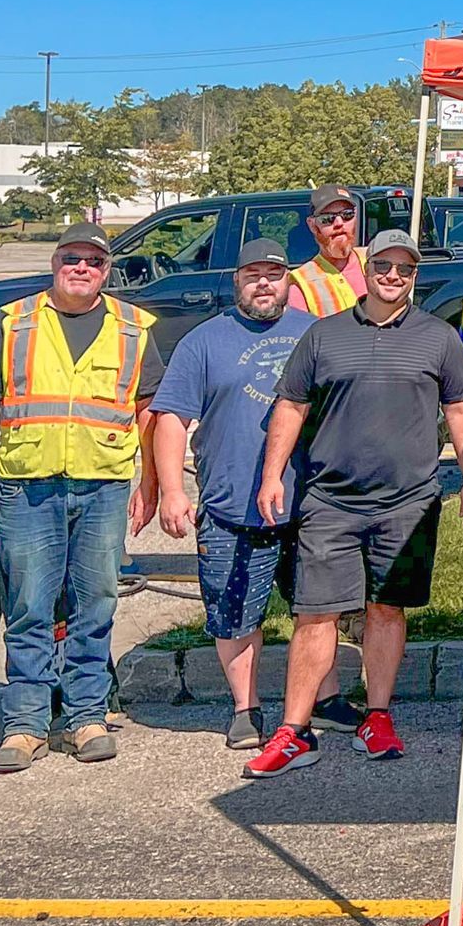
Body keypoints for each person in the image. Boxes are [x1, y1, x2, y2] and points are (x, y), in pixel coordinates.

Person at [242, 230, 463, 777]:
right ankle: (294, 732)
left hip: (410, 501)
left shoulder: (438, 338)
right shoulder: (323, 336)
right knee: (314, 614)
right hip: (331, 501)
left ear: (414, 276)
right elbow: (290, 408)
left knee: (386, 609)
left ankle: (377, 716)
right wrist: (272, 475)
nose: (393, 276)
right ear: (367, 269)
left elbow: (461, 409)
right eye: (385, 266)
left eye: (404, 268)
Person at [0, 222, 166, 772]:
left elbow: (148, 411)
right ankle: (24, 723)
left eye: (93, 261)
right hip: (29, 486)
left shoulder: (133, 328)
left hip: (104, 486)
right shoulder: (15, 321)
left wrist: (151, 483)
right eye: (71, 257)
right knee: (30, 607)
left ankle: (86, 715)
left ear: (107, 271)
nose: (81, 268)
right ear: (54, 262)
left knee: (96, 604)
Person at [149, 238, 361, 748]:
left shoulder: (317, 333)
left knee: (318, 608)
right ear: (236, 282)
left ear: (289, 279)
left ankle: (324, 699)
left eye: (273, 273)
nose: (264, 283)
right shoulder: (202, 341)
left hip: (313, 501)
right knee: (234, 608)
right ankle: (247, 708)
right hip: (232, 504)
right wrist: (172, 490)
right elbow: (171, 417)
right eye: (253, 275)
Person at [288, 183, 367, 316]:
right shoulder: (301, 282)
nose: (339, 223)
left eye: (347, 214)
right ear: (312, 225)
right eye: (327, 218)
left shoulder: (376, 258)